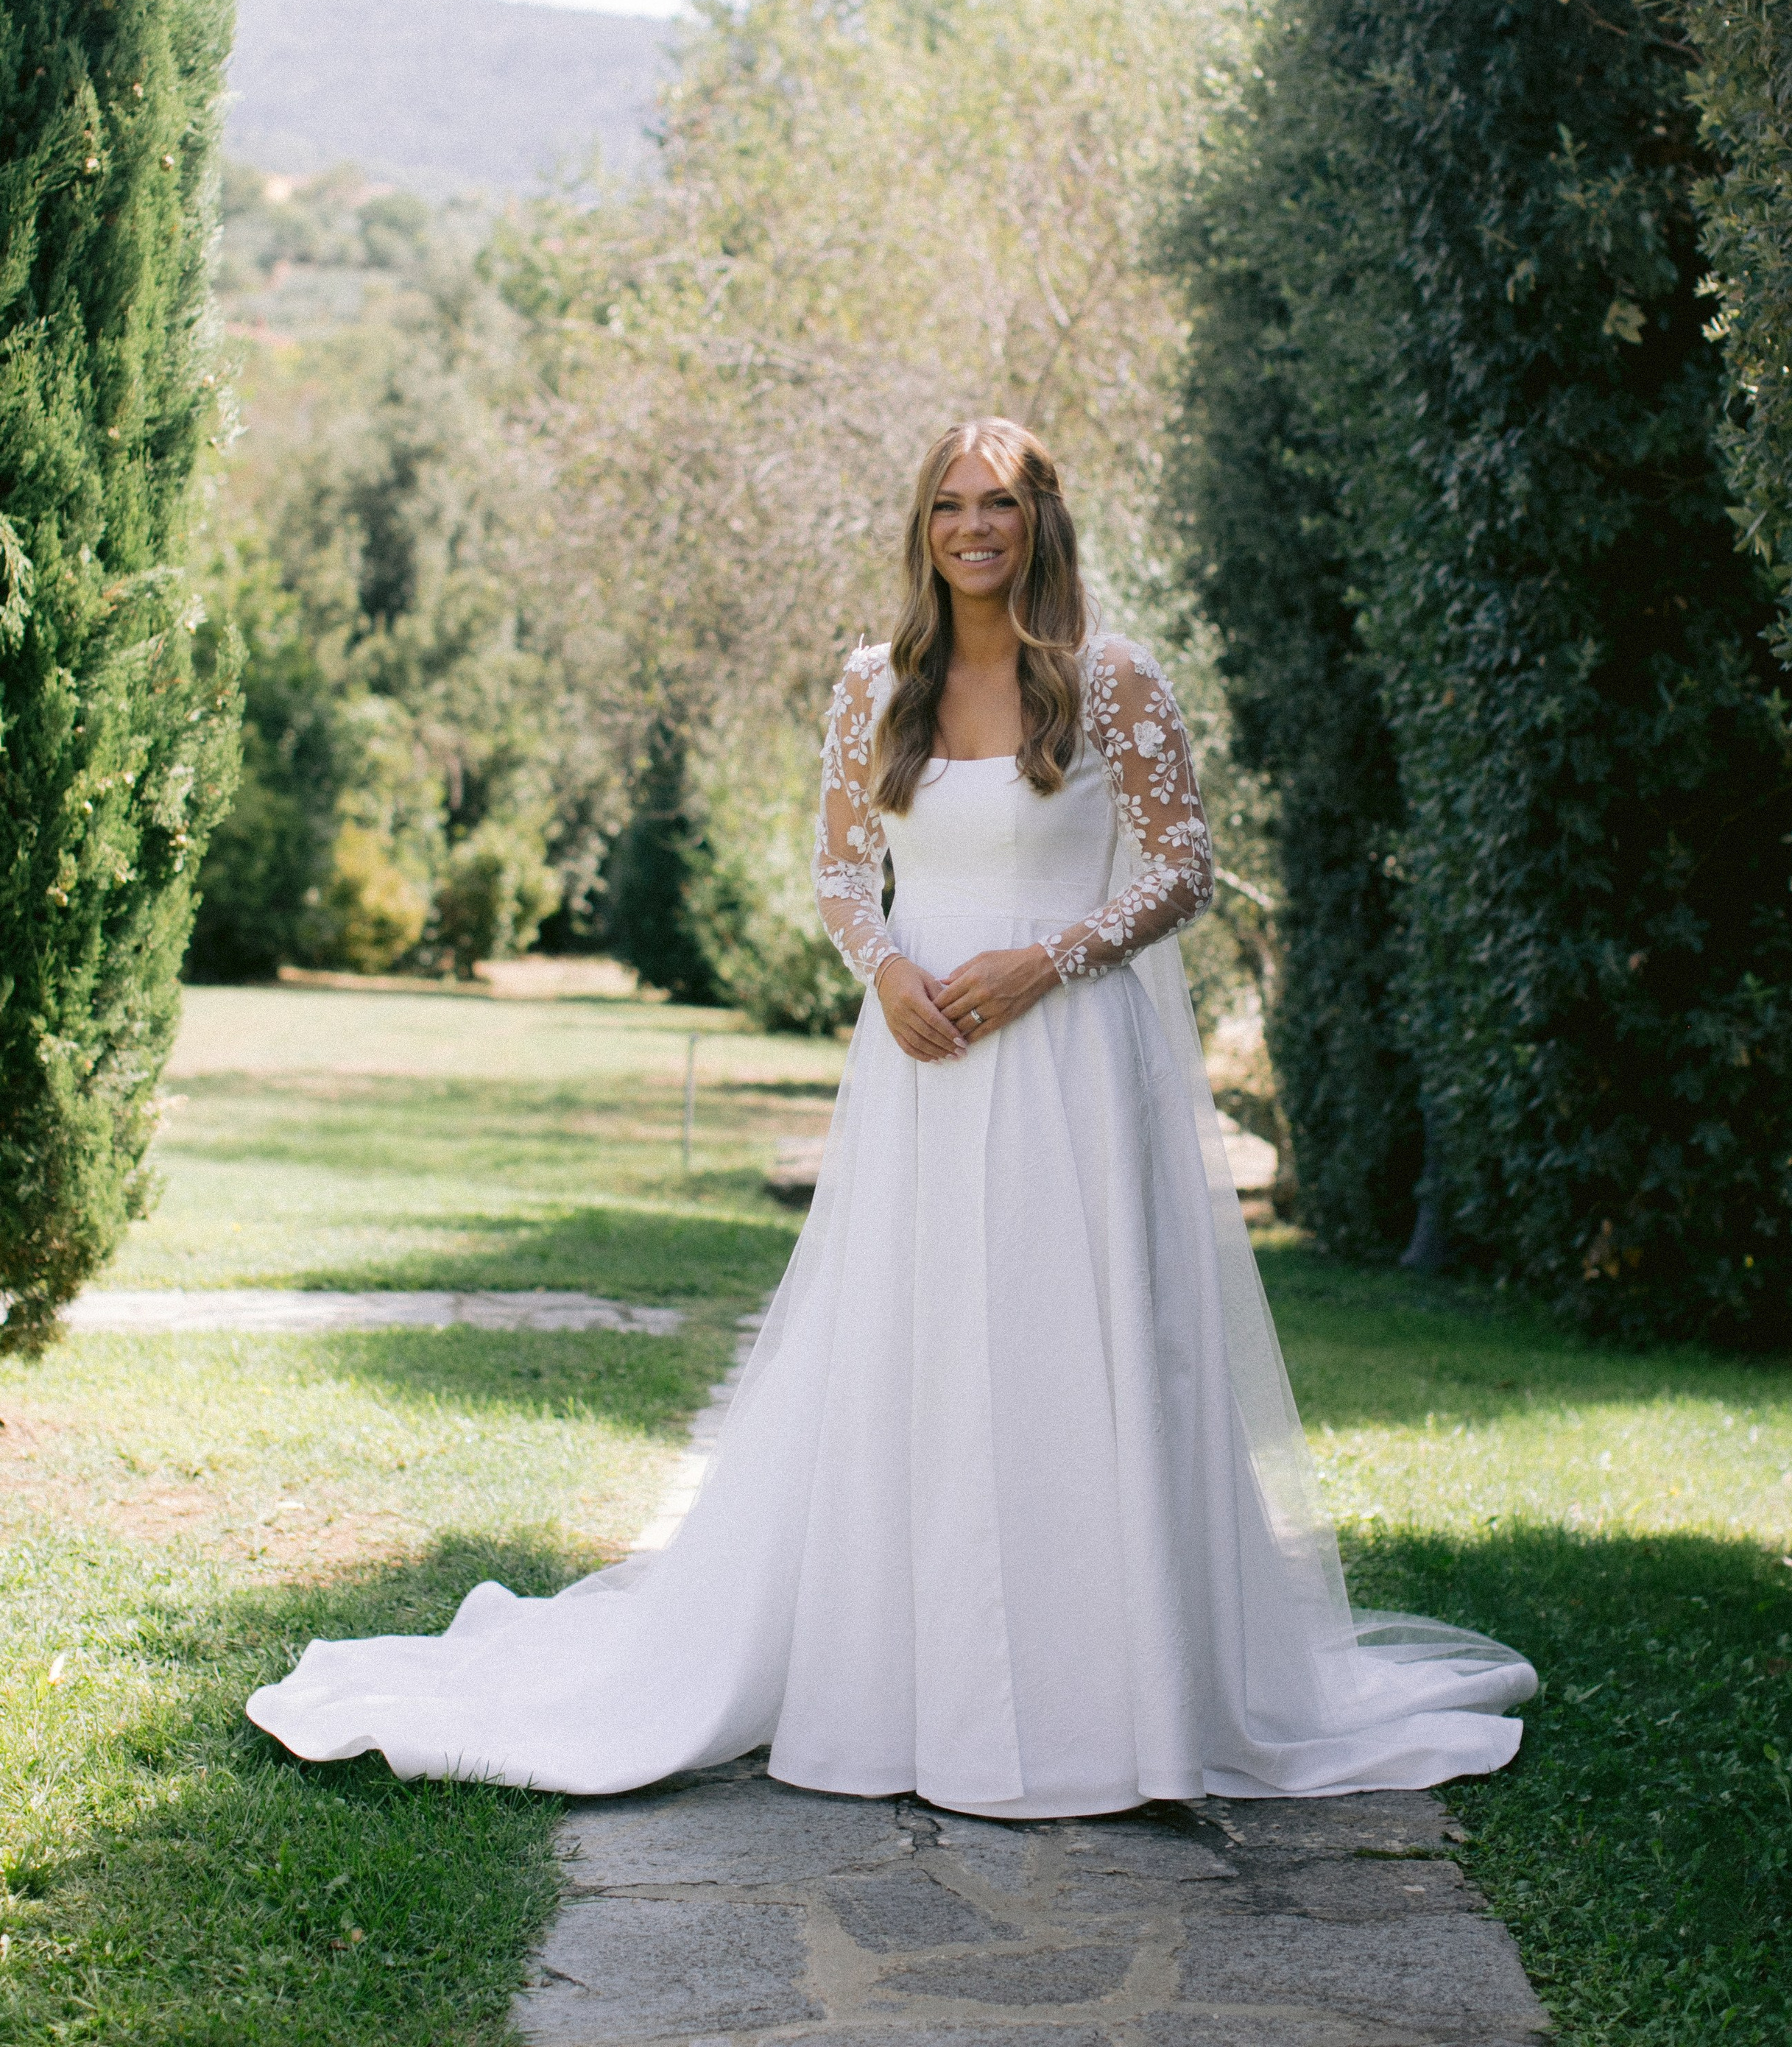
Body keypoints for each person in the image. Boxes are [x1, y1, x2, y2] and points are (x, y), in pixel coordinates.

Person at [247, 417, 1534, 1811]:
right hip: (922, 1061)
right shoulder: (878, 687)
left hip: (1074, 1064)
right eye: (946, 506)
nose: (972, 528)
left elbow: (1182, 870)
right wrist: (889, 972)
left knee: (1075, 1350)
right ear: (921, 530)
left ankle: (1124, 1698)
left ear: (1043, 520)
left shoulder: (1114, 683)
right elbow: (844, 877)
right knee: (922, 1354)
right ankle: (909, 1686)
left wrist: (1049, 958)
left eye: (998, 503)